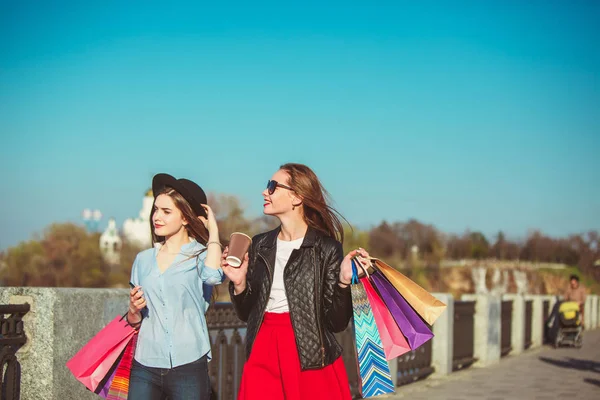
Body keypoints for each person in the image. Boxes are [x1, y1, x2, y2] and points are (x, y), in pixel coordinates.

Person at [221, 163, 368, 400]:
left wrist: (343, 281)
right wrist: (238, 284)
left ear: (297, 197)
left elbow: (337, 322)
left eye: (272, 186)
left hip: (309, 352)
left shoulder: (326, 248)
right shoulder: (260, 245)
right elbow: (246, 313)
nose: (264, 192)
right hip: (262, 347)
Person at [126, 173, 224, 400]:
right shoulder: (143, 260)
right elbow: (135, 321)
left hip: (188, 363)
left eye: (166, 211)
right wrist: (133, 309)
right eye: (155, 210)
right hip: (145, 364)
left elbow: (212, 277)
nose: (156, 217)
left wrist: (214, 231)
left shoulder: (201, 255)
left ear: (186, 218)